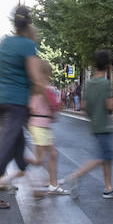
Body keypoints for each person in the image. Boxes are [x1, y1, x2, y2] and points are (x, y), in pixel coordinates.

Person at [0, 6, 47, 209]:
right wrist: (45, 99)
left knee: (17, 146)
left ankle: (36, 186)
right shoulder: (28, 45)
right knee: (6, 145)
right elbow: (36, 77)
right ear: (29, 23)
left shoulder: (5, 43)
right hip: (18, 102)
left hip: (3, 100)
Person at [63, 49, 113, 199]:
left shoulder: (89, 84)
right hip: (104, 124)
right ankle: (75, 176)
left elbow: (84, 106)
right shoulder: (105, 84)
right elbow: (110, 106)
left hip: (95, 124)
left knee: (107, 157)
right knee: (102, 157)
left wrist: (93, 116)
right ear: (109, 66)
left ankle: (108, 188)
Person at [27, 60, 68, 195]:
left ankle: (51, 183)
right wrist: (54, 109)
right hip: (41, 125)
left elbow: (31, 106)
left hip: (39, 124)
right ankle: (50, 184)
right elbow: (54, 105)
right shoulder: (43, 88)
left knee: (49, 155)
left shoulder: (35, 87)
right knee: (44, 157)